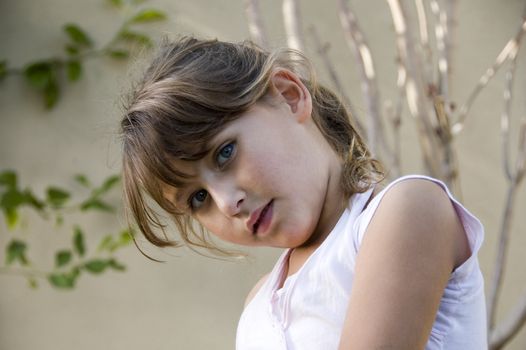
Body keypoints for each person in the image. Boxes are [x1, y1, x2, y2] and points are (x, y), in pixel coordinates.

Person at [120, 36, 487, 349]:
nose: (227, 203)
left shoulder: (402, 211)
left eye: (225, 153)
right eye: (198, 199)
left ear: (288, 96)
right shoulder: (257, 306)